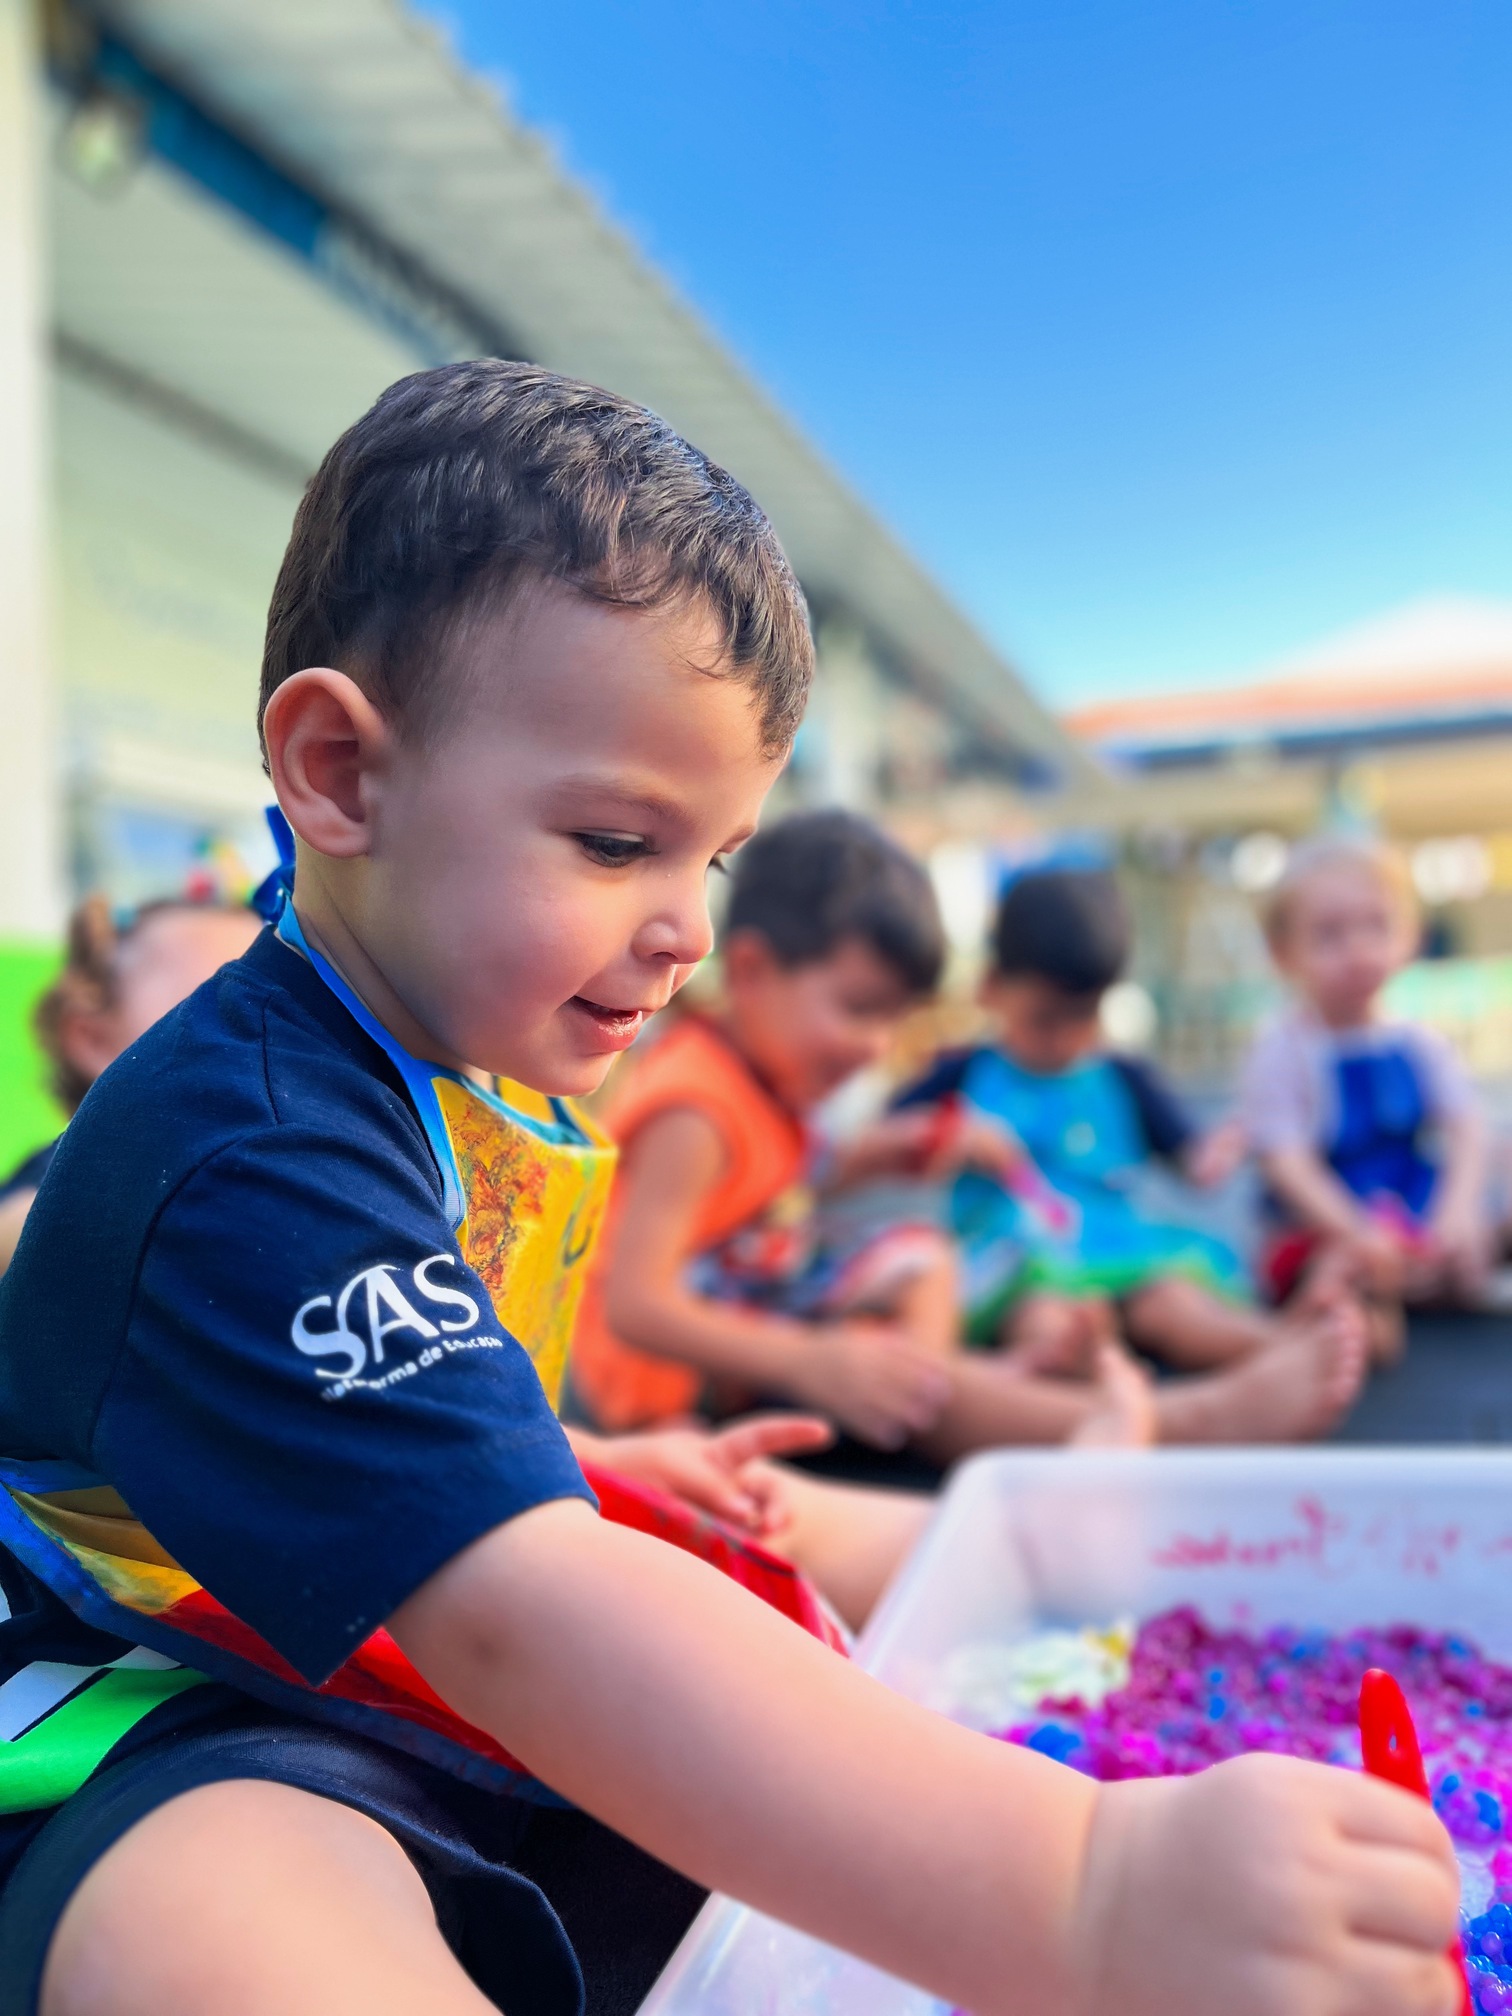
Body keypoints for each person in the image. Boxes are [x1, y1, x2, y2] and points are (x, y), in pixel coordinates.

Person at [0, 362, 1456, 2016]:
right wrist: (1088, 1888)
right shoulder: (245, 1143)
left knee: (719, 1521)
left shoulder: (454, 1039)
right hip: (133, 1679)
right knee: (209, 1911)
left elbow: (357, 1418)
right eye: (619, 844)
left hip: (359, 1615)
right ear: (341, 774)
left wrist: (568, 1451)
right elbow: (522, 1618)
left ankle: (1099, 1559)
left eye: (716, 854)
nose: (687, 924)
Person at [896, 866, 1366, 1440]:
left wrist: (1218, 1151)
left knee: (1172, 1304)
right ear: (991, 988)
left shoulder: (1122, 1074)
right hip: (1017, 1255)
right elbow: (878, 1146)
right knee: (1041, 1315)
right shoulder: (962, 1074)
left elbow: (1191, 1161)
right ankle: (1074, 1366)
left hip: (1118, 1245)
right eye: (1046, 1019)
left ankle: (1278, 1342)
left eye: (1086, 1018)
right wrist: (947, 1137)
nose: (1068, 1038)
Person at [1240, 834, 1494, 1361]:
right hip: (1326, 1226)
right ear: (1283, 953)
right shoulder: (1284, 1050)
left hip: (1411, 1214)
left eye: (1376, 927)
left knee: (1486, 1223)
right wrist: (1358, 1233)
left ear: (1407, 936)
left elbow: (1467, 1126)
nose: (1358, 951)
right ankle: (1355, 1316)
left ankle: (1431, 1279)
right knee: (1336, 1267)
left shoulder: (1417, 1042)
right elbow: (1287, 1164)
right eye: (1329, 936)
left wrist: (1457, 1213)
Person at [0, 896, 263, 1272]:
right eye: (218, 1008)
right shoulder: (61, 1184)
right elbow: (22, 1227)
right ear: (91, 1038)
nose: (259, 1036)